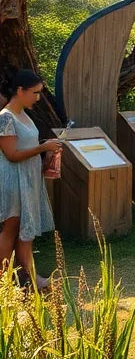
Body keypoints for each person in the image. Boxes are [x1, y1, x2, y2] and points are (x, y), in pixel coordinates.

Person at [0, 69, 58, 290]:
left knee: (27, 231)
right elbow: (12, 154)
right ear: (20, 90)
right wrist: (43, 147)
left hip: (29, 179)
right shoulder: (5, 117)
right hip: (13, 181)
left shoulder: (25, 114)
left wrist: (48, 155)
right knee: (11, 228)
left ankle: (30, 277)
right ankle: (4, 281)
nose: (38, 97)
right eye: (34, 93)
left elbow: (27, 147)